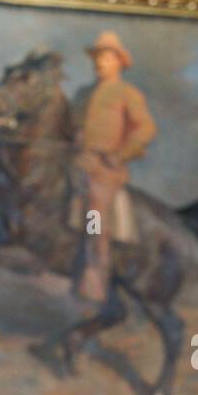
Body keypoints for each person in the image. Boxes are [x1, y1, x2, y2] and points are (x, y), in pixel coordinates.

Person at [69, 30, 157, 302]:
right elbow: (70, 125)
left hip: (105, 169)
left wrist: (120, 154)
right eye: (97, 57)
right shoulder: (82, 94)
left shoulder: (127, 93)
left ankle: (96, 280)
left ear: (119, 61)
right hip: (76, 161)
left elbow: (146, 128)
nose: (99, 62)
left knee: (95, 213)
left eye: (106, 57)